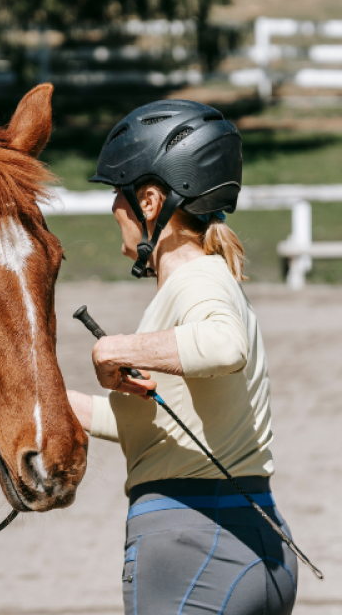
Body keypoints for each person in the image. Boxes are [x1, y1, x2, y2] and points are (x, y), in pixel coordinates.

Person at [66, 99, 298, 615]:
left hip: (191, 548)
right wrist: (45, 402)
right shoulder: (205, 282)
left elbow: (223, 346)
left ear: (149, 201)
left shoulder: (197, 279)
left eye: (118, 197)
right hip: (257, 546)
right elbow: (153, 423)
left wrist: (114, 347)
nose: (113, 212)